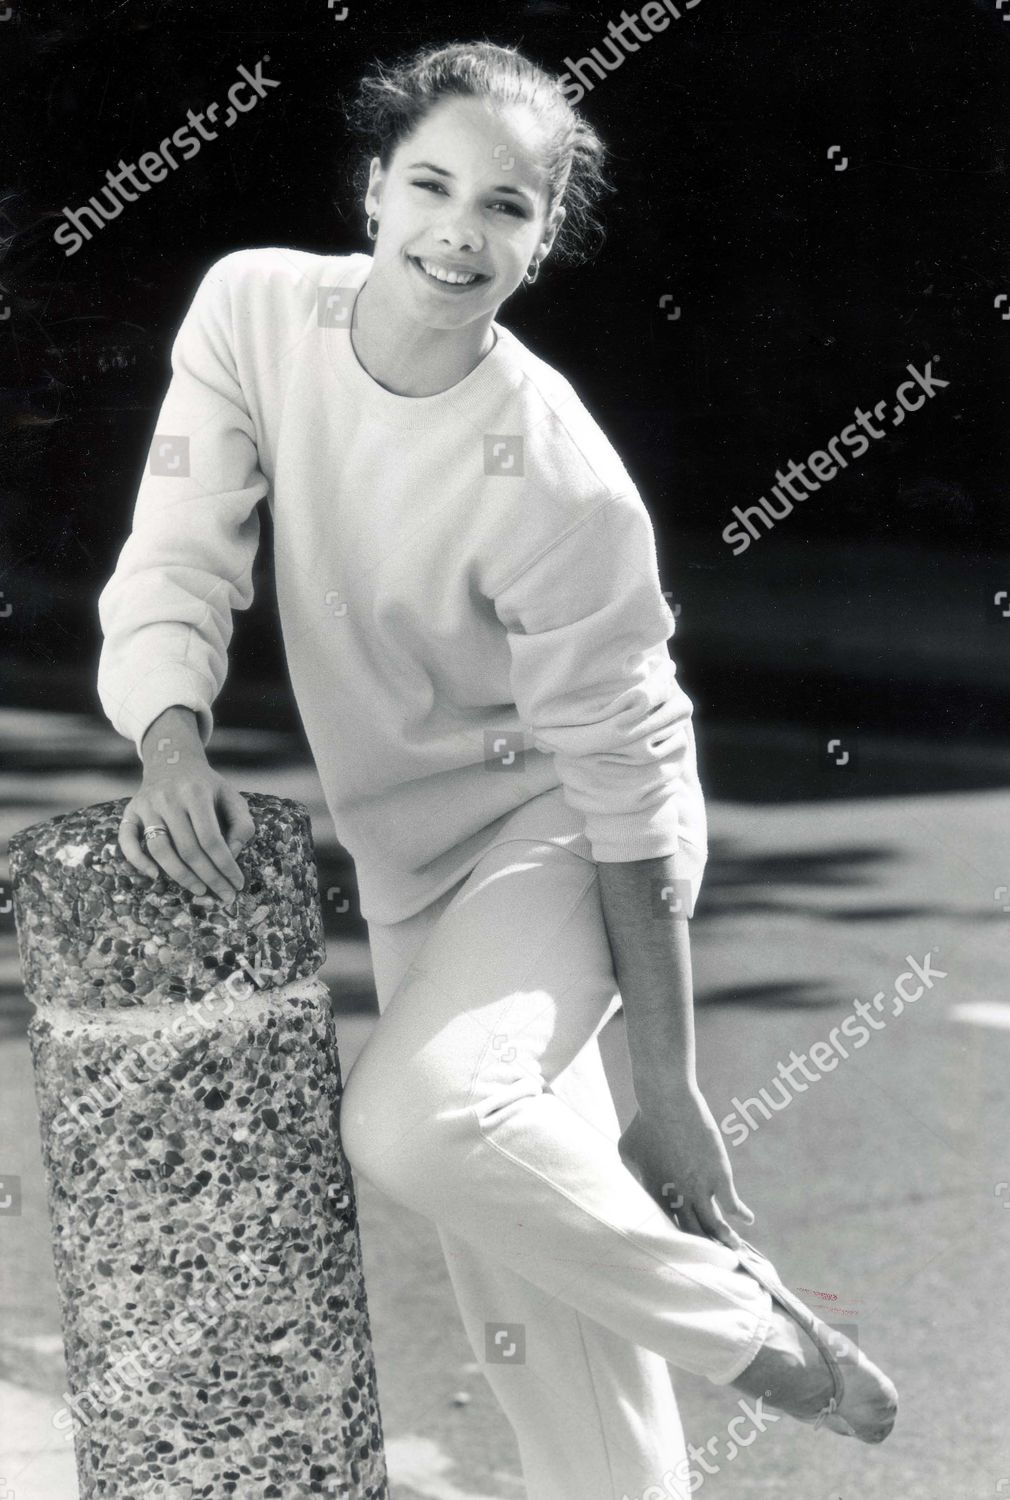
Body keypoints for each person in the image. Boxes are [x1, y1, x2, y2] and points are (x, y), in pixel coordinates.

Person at [97, 39, 897, 1500]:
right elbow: (177, 557)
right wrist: (171, 743)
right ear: (373, 188)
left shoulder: (557, 468)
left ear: (545, 240)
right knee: (534, 1311)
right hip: (414, 854)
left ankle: (752, 1332)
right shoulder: (253, 309)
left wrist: (666, 1084)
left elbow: (630, 774)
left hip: (570, 833)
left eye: (509, 208)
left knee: (424, 1120)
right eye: (432, 185)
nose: (461, 232)